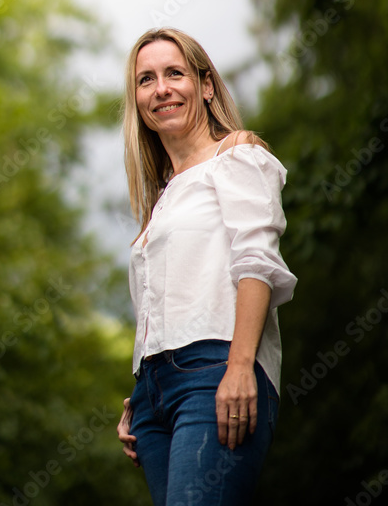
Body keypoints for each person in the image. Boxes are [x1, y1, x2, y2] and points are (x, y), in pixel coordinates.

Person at [116, 27, 297, 506]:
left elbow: (257, 263)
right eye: (146, 80)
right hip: (154, 396)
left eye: (174, 73)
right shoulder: (162, 196)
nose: (161, 89)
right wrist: (139, 394)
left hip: (214, 371)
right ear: (136, 99)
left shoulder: (236, 155)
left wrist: (240, 367)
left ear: (206, 84)